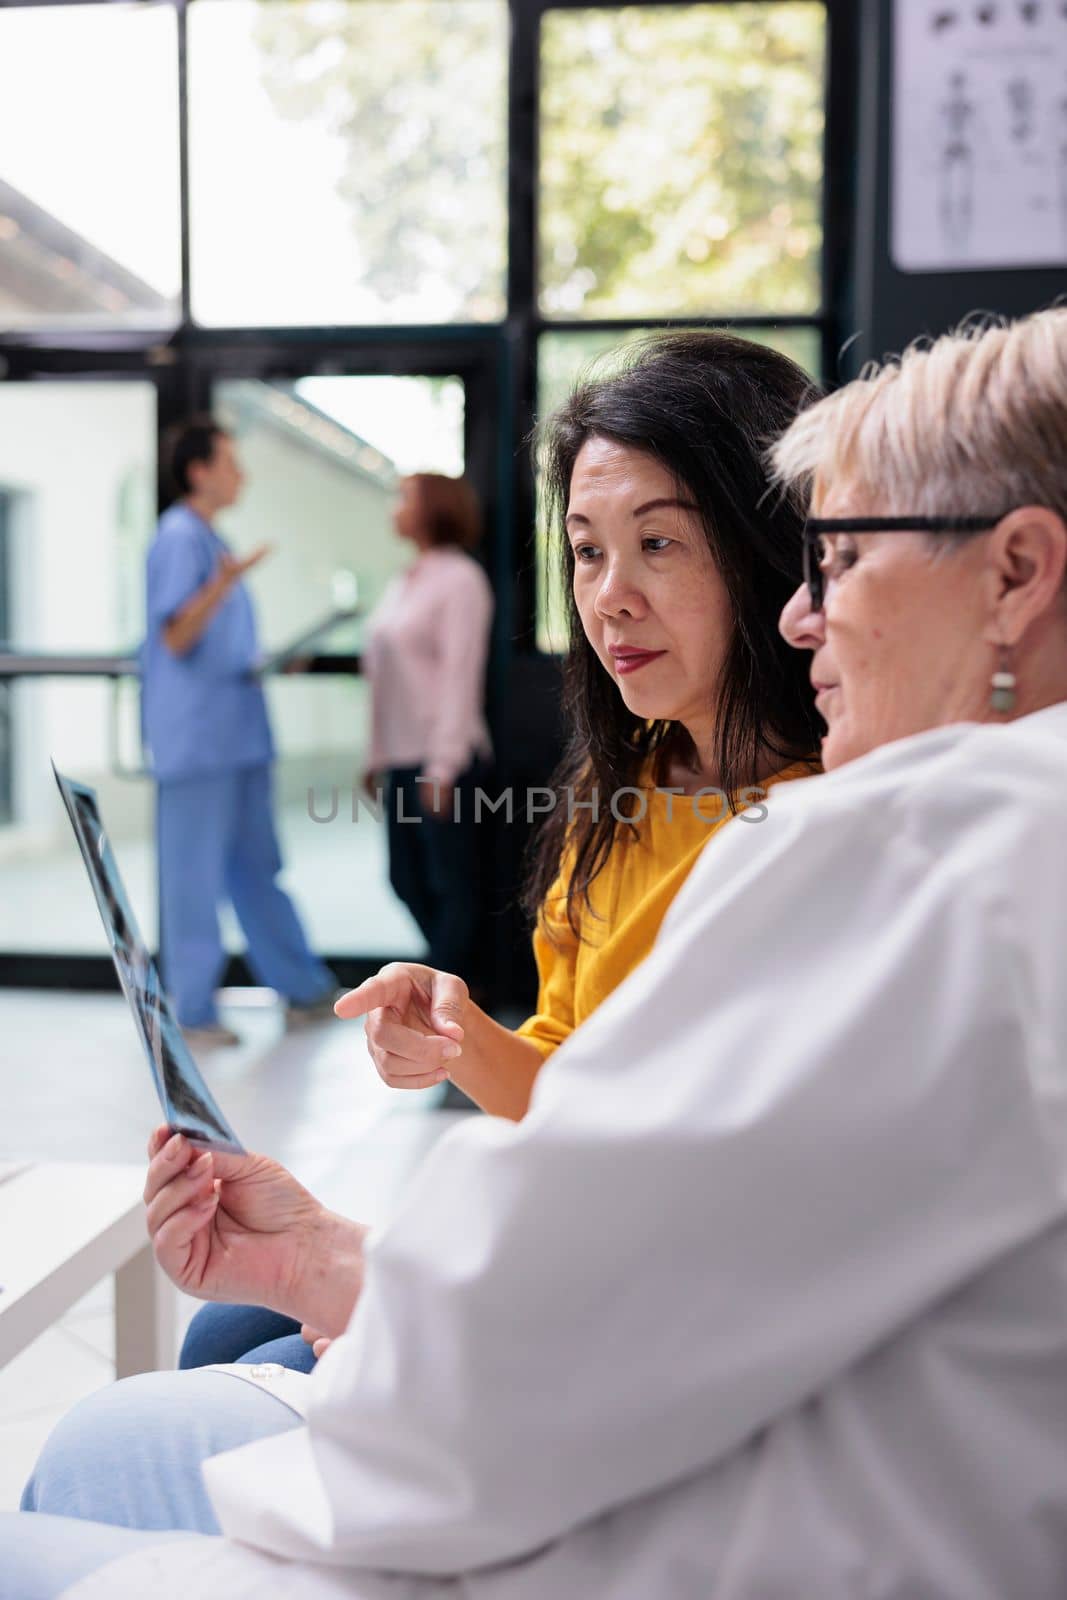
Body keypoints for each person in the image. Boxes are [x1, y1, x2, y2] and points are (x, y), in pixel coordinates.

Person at [12, 308, 1067, 1599]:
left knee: (92, 1462)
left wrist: (344, 1279)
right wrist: (364, 1230)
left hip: (563, 1481)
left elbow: (558, 1327)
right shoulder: (685, 806)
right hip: (583, 1436)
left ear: (1015, 573)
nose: (805, 615)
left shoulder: (897, 850)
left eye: (837, 559)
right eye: (581, 553)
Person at [177, 332, 823, 1373]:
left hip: (644, 1309)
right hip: (568, 1240)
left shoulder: (818, 836)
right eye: (585, 547)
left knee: (251, 1352)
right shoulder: (627, 787)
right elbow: (567, 1081)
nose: (609, 594)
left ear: (767, 548)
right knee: (223, 1322)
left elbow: (683, 1191)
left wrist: (371, 1270)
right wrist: (460, 1032)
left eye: (657, 542)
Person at [141, 418, 336, 1048]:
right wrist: (224, 582)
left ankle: (301, 988)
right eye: (230, 461)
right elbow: (176, 636)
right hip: (198, 742)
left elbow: (218, 644)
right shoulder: (179, 537)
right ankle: (190, 1012)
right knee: (193, 879)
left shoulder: (206, 536)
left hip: (238, 735)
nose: (240, 473)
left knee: (257, 869)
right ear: (199, 470)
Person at [362, 472, 494, 976]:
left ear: (433, 507)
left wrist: (444, 767)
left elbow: (462, 677)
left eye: (404, 498)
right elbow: (383, 676)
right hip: (401, 757)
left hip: (446, 760)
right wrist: (376, 756)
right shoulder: (406, 581)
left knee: (452, 883)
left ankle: (450, 996)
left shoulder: (461, 579)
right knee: (405, 879)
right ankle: (456, 984)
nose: (394, 508)